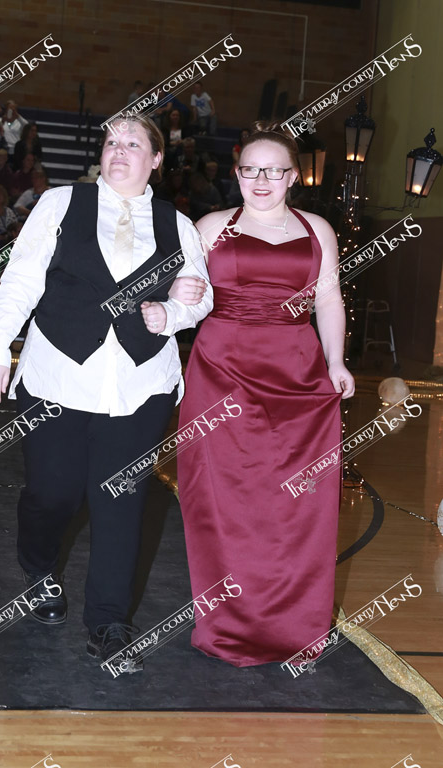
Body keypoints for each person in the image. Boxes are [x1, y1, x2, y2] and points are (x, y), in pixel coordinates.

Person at [0, 115, 213, 668]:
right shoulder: (61, 203)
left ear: (156, 159)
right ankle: (38, 568)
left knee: (120, 502)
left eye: (133, 143)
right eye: (111, 142)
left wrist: (172, 313)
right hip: (57, 376)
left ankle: (108, 622)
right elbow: (21, 279)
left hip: (141, 386)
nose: (119, 150)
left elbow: (199, 296)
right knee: (52, 494)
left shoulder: (179, 225)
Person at [174, 122, 355, 668]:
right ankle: (228, 625)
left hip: (297, 378)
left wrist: (336, 362)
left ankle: (295, 627)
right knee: (222, 502)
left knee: (296, 506)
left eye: (274, 170)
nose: (261, 180)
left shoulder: (317, 229)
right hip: (220, 372)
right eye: (250, 169)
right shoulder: (209, 226)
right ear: (237, 173)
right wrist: (177, 294)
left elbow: (328, 299)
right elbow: (187, 297)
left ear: (293, 176)